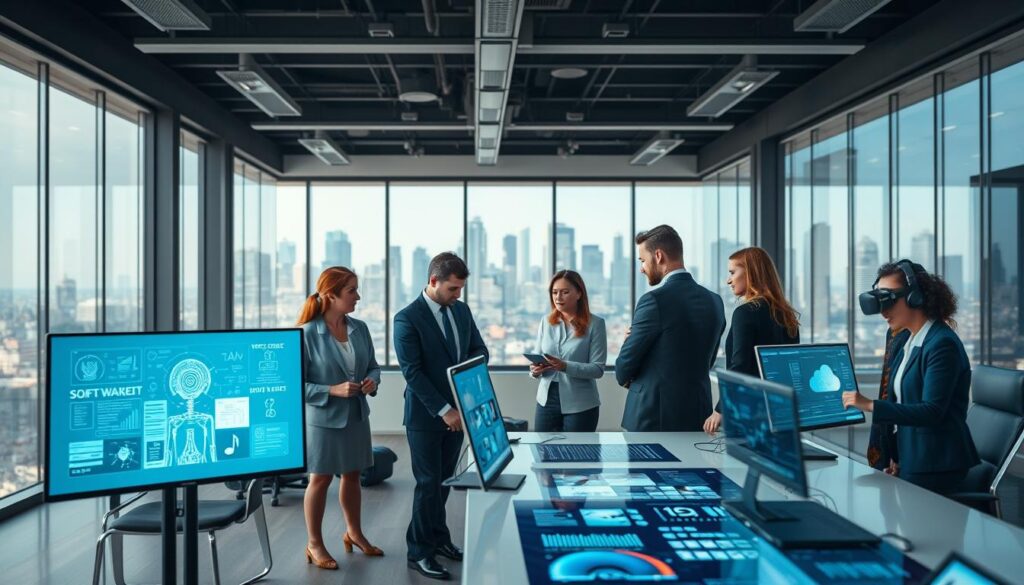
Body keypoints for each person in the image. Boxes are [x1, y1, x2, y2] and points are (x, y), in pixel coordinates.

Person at [842, 260, 980, 495]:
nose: (884, 311)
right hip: (915, 458)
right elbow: (905, 404)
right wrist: (900, 456)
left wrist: (869, 405)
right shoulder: (909, 340)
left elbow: (931, 411)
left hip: (937, 465)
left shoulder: (941, 343)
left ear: (917, 296)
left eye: (890, 299)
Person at [394, 252, 489, 581]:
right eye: (452, 288)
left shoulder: (460, 311)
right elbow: (413, 373)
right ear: (433, 282)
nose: (458, 295)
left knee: (445, 480)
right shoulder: (407, 318)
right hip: (425, 415)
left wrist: (464, 394)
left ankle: (439, 538)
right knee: (427, 483)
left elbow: (480, 349)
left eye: (461, 289)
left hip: (459, 412)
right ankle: (418, 550)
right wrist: (444, 409)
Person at [298, 267, 383, 571]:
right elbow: (295, 386)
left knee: (352, 474)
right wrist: (331, 390)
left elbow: (373, 366)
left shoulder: (360, 328)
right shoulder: (307, 333)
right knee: (319, 479)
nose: (358, 297)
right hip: (323, 420)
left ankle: (354, 532)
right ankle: (314, 543)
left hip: (357, 414)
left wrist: (372, 381)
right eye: (351, 291)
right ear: (331, 294)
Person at [615, 224, 725, 432]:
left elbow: (623, 369)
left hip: (652, 417)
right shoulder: (715, 301)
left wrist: (628, 341)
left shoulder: (654, 300)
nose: (641, 268)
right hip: (697, 414)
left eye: (642, 260)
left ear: (658, 256)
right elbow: (707, 360)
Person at [703, 247, 800, 434]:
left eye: (732, 272)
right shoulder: (787, 315)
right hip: (780, 412)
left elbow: (740, 366)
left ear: (751, 273)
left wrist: (719, 410)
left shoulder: (745, 312)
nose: (728, 280)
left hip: (750, 412)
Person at [529, 270, 607, 432]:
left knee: (576, 455)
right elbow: (537, 358)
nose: (558, 297)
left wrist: (565, 366)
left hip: (580, 404)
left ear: (579, 293)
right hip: (546, 401)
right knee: (543, 452)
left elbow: (598, 369)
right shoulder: (546, 322)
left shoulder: (596, 324)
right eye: (554, 292)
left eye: (565, 292)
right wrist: (535, 370)